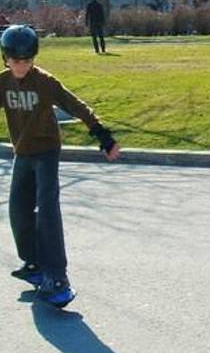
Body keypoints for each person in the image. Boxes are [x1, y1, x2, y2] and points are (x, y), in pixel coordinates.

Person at [0, 25, 120, 306]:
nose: (21, 66)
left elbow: (75, 105)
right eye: (16, 61)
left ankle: (57, 277)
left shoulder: (45, 82)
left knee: (47, 211)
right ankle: (34, 263)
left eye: (27, 61)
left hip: (46, 152)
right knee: (17, 209)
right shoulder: (3, 82)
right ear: (6, 59)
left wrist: (103, 136)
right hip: (22, 153)